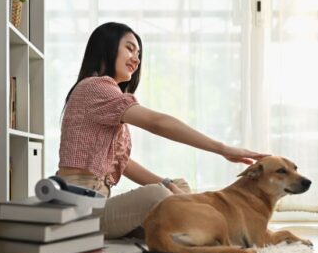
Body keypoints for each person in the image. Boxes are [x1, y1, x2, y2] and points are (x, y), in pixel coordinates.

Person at [58, 22, 269, 239]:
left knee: (177, 186)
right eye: (130, 48)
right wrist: (223, 148)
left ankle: (191, 229)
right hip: (81, 211)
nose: (137, 59)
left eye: (138, 53)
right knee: (158, 195)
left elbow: (124, 163)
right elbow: (157, 122)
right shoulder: (95, 87)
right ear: (107, 47)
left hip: (98, 201)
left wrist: (167, 183)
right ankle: (220, 229)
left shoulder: (103, 94)